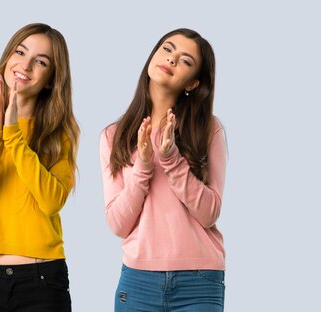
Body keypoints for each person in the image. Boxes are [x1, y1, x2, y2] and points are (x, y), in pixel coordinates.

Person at [100, 28, 227, 311]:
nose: (171, 59)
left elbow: (209, 213)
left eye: (185, 60)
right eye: (168, 49)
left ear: (193, 83)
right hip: (138, 281)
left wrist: (170, 158)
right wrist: (144, 166)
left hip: (200, 280)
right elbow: (118, 224)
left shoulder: (208, 130)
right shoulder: (113, 135)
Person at [0, 23, 80, 311]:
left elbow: (51, 203)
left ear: (50, 79)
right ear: (7, 58)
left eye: (41, 61)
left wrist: (12, 133)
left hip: (43, 279)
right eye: (20, 52)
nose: (25, 64)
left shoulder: (59, 137)